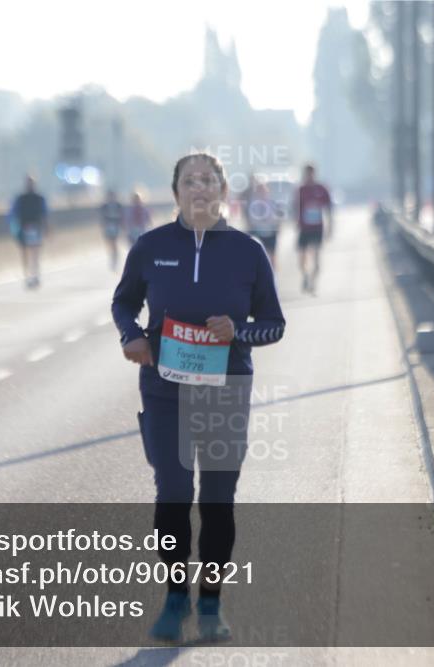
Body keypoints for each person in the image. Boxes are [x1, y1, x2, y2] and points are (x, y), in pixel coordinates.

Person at [112, 153, 285, 643]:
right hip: (164, 389)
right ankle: (174, 597)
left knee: (217, 500)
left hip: (226, 387)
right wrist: (131, 335)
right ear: (176, 192)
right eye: (190, 181)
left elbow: (274, 324)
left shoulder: (248, 251)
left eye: (209, 180)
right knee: (171, 495)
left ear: (223, 191)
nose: (200, 188)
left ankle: (210, 602)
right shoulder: (150, 247)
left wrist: (239, 332)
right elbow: (123, 300)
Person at [293, 164, 333, 294]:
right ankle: (305, 275)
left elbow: (329, 208)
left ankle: (313, 282)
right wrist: (296, 221)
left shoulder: (321, 189)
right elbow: (295, 207)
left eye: (312, 173)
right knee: (302, 257)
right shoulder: (301, 190)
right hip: (304, 228)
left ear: (314, 174)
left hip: (317, 227)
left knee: (316, 255)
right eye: (307, 173)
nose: (309, 176)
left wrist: (330, 226)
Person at [8, 175, 49, 288]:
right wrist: (14, 228)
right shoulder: (20, 198)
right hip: (23, 228)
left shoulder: (39, 198)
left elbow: (44, 214)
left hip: (36, 228)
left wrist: (47, 228)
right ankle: (27, 276)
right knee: (25, 254)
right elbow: (13, 214)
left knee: (35, 253)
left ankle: (35, 275)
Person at [242, 175, 280, 269]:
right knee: (256, 256)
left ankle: (273, 275)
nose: (261, 191)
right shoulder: (252, 202)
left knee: (272, 255)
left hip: (270, 231)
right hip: (257, 231)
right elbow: (251, 218)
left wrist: (276, 226)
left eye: (262, 188)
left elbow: (277, 216)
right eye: (259, 189)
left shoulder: (272, 201)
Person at [99, 189, 124, 270]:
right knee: (109, 243)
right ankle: (112, 255)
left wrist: (122, 225)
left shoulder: (118, 205)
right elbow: (102, 217)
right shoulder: (104, 206)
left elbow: (121, 216)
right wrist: (102, 225)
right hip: (108, 226)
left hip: (115, 226)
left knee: (114, 242)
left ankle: (115, 257)